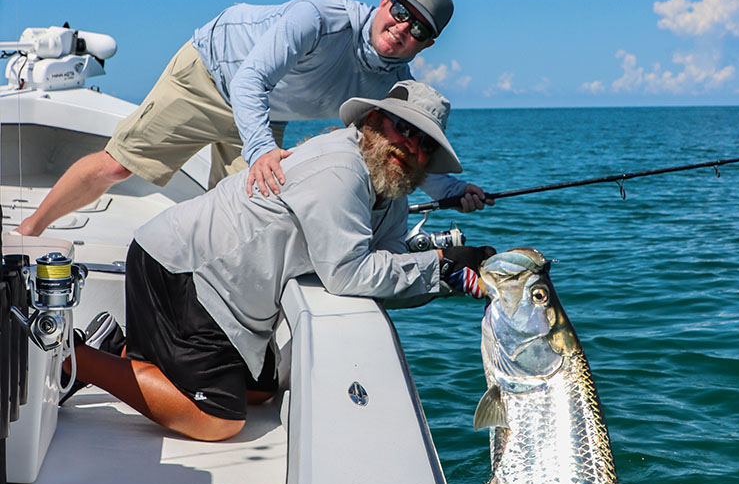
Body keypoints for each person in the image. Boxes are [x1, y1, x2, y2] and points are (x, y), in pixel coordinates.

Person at [63, 81, 495, 441]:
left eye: (423, 145)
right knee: (218, 420)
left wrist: (443, 268)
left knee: (262, 391)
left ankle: (120, 346)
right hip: (185, 270)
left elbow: (389, 260)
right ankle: (73, 359)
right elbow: (348, 273)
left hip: (230, 293)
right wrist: (442, 267)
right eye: (403, 129)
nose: (410, 147)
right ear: (373, 122)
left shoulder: (390, 190)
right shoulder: (342, 171)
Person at [18, 0, 490, 237]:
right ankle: (30, 229)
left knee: (247, 210)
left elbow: (400, 150)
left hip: (269, 109)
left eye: (420, 30)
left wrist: (450, 190)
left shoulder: (396, 83)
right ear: (386, 0)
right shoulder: (321, 16)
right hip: (211, 74)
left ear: (426, 46)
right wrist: (262, 148)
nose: (404, 28)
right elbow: (251, 80)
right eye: (402, 11)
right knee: (119, 165)